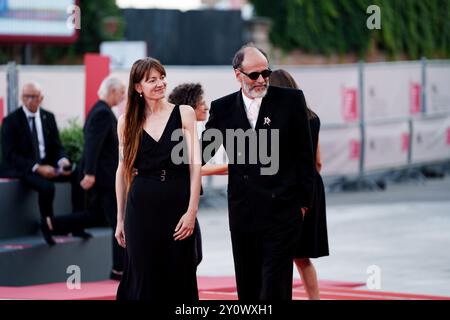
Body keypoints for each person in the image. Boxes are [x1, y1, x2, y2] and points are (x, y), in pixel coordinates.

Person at [202, 44, 316, 300]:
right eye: (254, 75)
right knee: (248, 285)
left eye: (266, 73)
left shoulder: (290, 101)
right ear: (237, 74)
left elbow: (304, 157)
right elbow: (202, 153)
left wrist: (302, 205)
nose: (261, 80)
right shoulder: (222, 108)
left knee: (275, 286)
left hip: (283, 212)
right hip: (243, 212)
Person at [115, 57, 201, 301]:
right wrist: (120, 219)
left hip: (177, 205)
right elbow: (122, 171)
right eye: (152, 80)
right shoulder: (126, 122)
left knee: (179, 274)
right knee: (142, 276)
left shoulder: (184, 113)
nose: (160, 83)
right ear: (138, 87)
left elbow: (195, 165)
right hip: (140, 208)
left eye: (162, 77)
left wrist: (192, 210)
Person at [43, 76, 127, 280]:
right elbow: (92, 144)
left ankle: (52, 223)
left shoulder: (102, 111)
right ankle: (119, 270)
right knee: (120, 222)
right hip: (103, 178)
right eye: (121, 92)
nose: (123, 96)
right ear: (112, 91)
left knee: (96, 215)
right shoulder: (102, 113)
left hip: (102, 177)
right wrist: (89, 173)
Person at [270, 69, 329, 300]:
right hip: (311, 188)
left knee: (280, 255)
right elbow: (318, 162)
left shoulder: (275, 120)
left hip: (285, 191)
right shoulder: (311, 118)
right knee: (303, 256)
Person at [0, 82, 83, 245]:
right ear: (22, 98)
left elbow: (56, 146)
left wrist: (62, 160)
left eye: (34, 96)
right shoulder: (11, 120)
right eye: (26, 96)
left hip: (48, 166)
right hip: (24, 169)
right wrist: (37, 168)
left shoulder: (48, 117)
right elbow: (10, 155)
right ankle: (48, 228)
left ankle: (76, 225)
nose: (30, 100)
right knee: (47, 187)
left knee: (77, 175)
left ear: (41, 98)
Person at [168, 83, 228, 266]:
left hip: (185, 199)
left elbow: (200, 164)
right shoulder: (178, 134)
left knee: (194, 255)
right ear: (190, 106)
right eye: (202, 102)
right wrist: (229, 168)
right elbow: (191, 169)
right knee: (189, 255)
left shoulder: (194, 132)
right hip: (175, 200)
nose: (206, 107)